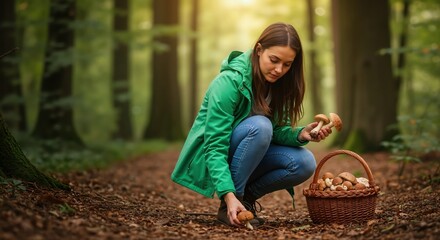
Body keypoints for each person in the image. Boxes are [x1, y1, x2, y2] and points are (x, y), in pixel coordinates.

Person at [171, 22, 332, 228]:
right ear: (258, 50)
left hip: (250, 150)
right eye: (274, 60)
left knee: (304, 162)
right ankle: (229, 203)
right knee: (260, 125)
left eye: (287, 64)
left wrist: (300, 135)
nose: (279, 70)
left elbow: (275, 132)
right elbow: (214, 146)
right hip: (219, 156)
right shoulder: (228, 83)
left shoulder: (278, 85)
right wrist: (228, 195)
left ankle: (244, 200)